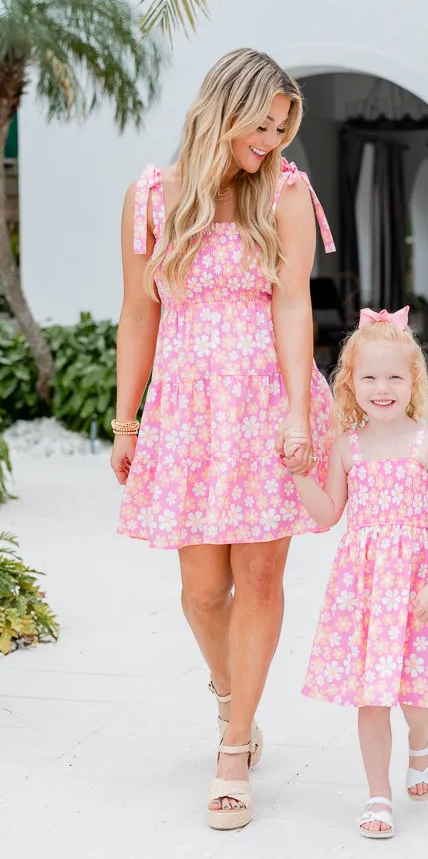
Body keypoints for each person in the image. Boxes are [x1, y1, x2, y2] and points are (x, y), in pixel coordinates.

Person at [110, 48, 335, 831]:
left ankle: (233, 749)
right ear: (224, 107)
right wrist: (125, 418)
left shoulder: (286, 190)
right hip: (185, 411)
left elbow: (292, 304)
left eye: (282, 127)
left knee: (261, 578)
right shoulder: (152, 195)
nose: (271, 139)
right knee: (204, 588)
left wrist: (300, 415)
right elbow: (139, 314)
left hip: (266, 402)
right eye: (263, 123)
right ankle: (230, 689)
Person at [283, 306, 428, 840]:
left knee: (419, 697)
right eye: (369, 377)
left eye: (394, 377)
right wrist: (298, 477)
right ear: (350, 384)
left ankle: (421, 744)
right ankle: (378, 795)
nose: (382, 388)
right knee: (372, 695)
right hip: (362, 594)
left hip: (414, 590)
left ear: (414, 381)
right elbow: (328, 514)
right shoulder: (346, 448)